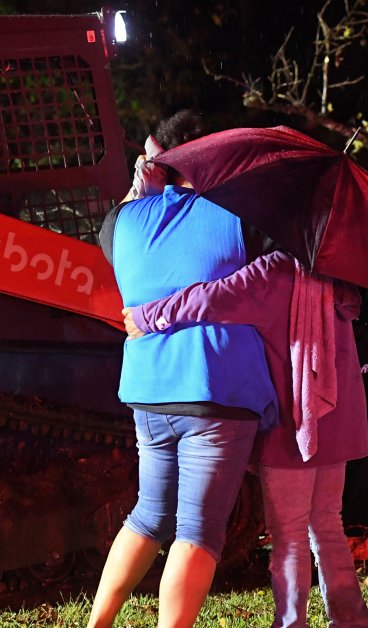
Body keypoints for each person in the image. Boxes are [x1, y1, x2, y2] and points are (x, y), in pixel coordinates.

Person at [88, 110, 278, 628]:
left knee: (149, 514)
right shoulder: (239, 216)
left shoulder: (120, 223)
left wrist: (144, 182)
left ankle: (97, 623)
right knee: (198, 530)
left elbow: (120, 230)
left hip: (148, 391)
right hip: (215, 388)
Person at [124, 250, 368, 628]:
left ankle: (291, 623)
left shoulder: (273, 271)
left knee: (288, 533)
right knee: (327, 523)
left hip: (296, 419)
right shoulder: (335, 274)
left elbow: (210, 298)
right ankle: (351, 621)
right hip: (336, 419)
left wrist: (147, 315)